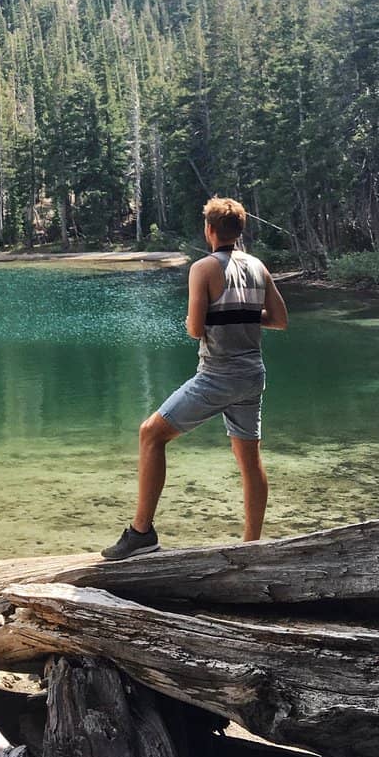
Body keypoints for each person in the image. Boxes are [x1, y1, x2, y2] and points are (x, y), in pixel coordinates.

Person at [102, 196, 288, 560]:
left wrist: (214, 317)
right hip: (252, 375)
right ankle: (252, 546)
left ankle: (141, 533)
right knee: (249, 459)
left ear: (210, 230)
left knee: (150, 434)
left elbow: (193, 328)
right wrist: (245, 316)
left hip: (217, 376)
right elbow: (280, 319)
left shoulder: (203, 269)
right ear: (240, 230)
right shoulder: (257, 266)